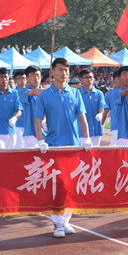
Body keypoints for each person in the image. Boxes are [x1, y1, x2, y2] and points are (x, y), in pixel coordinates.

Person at [34, 58, 91, 238]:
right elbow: (37, 120)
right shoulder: (44, 95)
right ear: (52, 72)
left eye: (66, 70)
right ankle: (57, 222)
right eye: (60, 70)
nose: (64, 73)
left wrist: (86, 138)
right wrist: (40, 140)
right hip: (53, 146)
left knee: (70, 185)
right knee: (57, 185)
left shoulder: (75, 94)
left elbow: (82, 118)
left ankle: (65, 220)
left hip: (72, 146)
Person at [78, 68, 107, 147]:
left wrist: (100, 114)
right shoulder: (78, 94)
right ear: (81, 79)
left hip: (96, 128)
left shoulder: (99, 93)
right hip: (81, 130)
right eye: (86, 77)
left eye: (90, 77)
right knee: (83, 151)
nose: (89, 79)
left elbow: (102, 106)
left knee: (95, 152)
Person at [18, 65, 45, 148]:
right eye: (33, 75)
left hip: (46, 133)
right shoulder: (22, 91)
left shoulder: (46, 91)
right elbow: (34, 92)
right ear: (27, 78)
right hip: (31, 134)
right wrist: (50, 91)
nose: (36, 78)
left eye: (38, 75)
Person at [105, 70, 123, 146]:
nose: (120, 80)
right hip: (116, 126)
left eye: (121, 78)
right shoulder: (109, 95)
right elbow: (106, 109)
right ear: (114, 80)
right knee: (121, 147)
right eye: (118, 79)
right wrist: (104, 120)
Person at [13, 70, 27, 148]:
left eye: (24, 78)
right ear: (15, 80)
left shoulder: (30, 91)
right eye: (20, 78)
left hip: (28, 123)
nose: (22, 80)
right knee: (19, 145)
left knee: (28, 146)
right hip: (17, 123)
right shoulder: (13, 93)